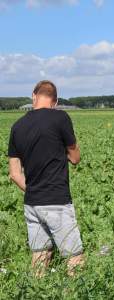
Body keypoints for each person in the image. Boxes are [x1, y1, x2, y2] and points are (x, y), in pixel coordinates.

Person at [8, 80, 84, 277]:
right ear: (55, 101)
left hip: (31, 204)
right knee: (74, 257)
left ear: (33, 96)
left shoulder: (17, 126)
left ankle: (37, 293)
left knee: (40, 256)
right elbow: (75, 158)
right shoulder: (60, 118)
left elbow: (15, 174)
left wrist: (35, 190)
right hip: (57, 201)